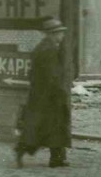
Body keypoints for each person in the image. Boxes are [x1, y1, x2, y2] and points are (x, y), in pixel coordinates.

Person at [14, 16, 72, 168]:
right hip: (50, 95)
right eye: (59, 32)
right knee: (51, 126)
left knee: (47, 127)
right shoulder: (49, 50)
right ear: (52, 34)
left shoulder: (43, 47)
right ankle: (26, 150)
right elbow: (52, 75)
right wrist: (61, 91)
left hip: (41, 94)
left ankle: (55, 158)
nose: (62, 35)